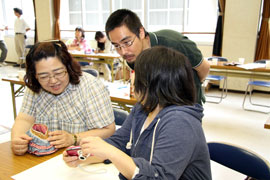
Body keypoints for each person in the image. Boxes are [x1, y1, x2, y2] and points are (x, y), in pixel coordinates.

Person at [63, 46, 212, 180]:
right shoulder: (143, 108)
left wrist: (109, 152)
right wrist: (84, 154)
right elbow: (118, 143)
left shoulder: (180, 122)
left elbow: (158, 177)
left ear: (154, 83)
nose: (131, 79)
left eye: (136, 73)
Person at [11, 40, 115, 156]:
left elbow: (108, 130)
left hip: (83, 159)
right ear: (35, 76)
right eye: (44, 76)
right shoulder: (35, 87)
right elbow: (24, 119)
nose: (53, 81)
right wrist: (17, 140)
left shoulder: (90, 86)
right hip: (45, 160)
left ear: (68, 67)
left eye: (59, 73)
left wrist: (74, 138)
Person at [105, 9, 210, 105]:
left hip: (187, 102)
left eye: (127, 42)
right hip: (159, 104)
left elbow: (204, 68)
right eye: (117, 46)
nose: (123, 52)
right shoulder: (131, 56)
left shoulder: (176, 43)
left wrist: (190, 86)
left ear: (141, 32)